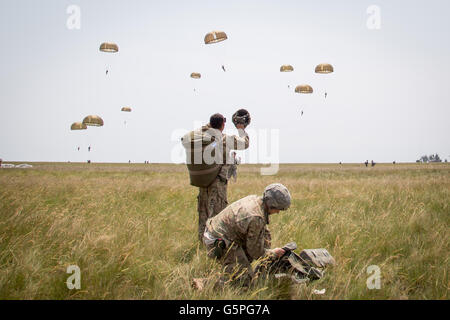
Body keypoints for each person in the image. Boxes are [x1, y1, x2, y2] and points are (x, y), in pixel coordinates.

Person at [203, 183, 291, 287]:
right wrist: (273, 253)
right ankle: (207, 286)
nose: (278, 212)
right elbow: (256, 252)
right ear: (272, 204)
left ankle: (225, 276)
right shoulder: (256, 217)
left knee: (243, 265)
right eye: (278, 209)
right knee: (244, 280)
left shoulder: (256, 200)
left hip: (217, 234)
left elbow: (262, 234)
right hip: (219, 242)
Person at [182, 113, 249, 242]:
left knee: (203, 216)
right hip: (217, 184)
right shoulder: (224, 139)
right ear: (223, 125)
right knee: (218, 217)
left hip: (204, 183)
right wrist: (241, 128)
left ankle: (202, 245)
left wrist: (208, 127)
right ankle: (215, 248)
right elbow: (245, 143)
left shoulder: (202, 137)